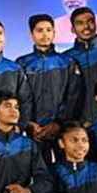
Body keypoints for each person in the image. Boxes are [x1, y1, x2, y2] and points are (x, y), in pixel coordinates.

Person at [16, 14, 80, 163]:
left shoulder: (67, 62)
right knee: (39, 174)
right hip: (34, 131)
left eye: (48, 30)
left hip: (62, 129)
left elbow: (73, 96)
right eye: (39, 30)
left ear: (54, 33)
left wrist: (58, 123)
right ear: (31, 34)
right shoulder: (22, 63)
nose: (45, 34)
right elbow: (19, 97)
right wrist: (28, 123)